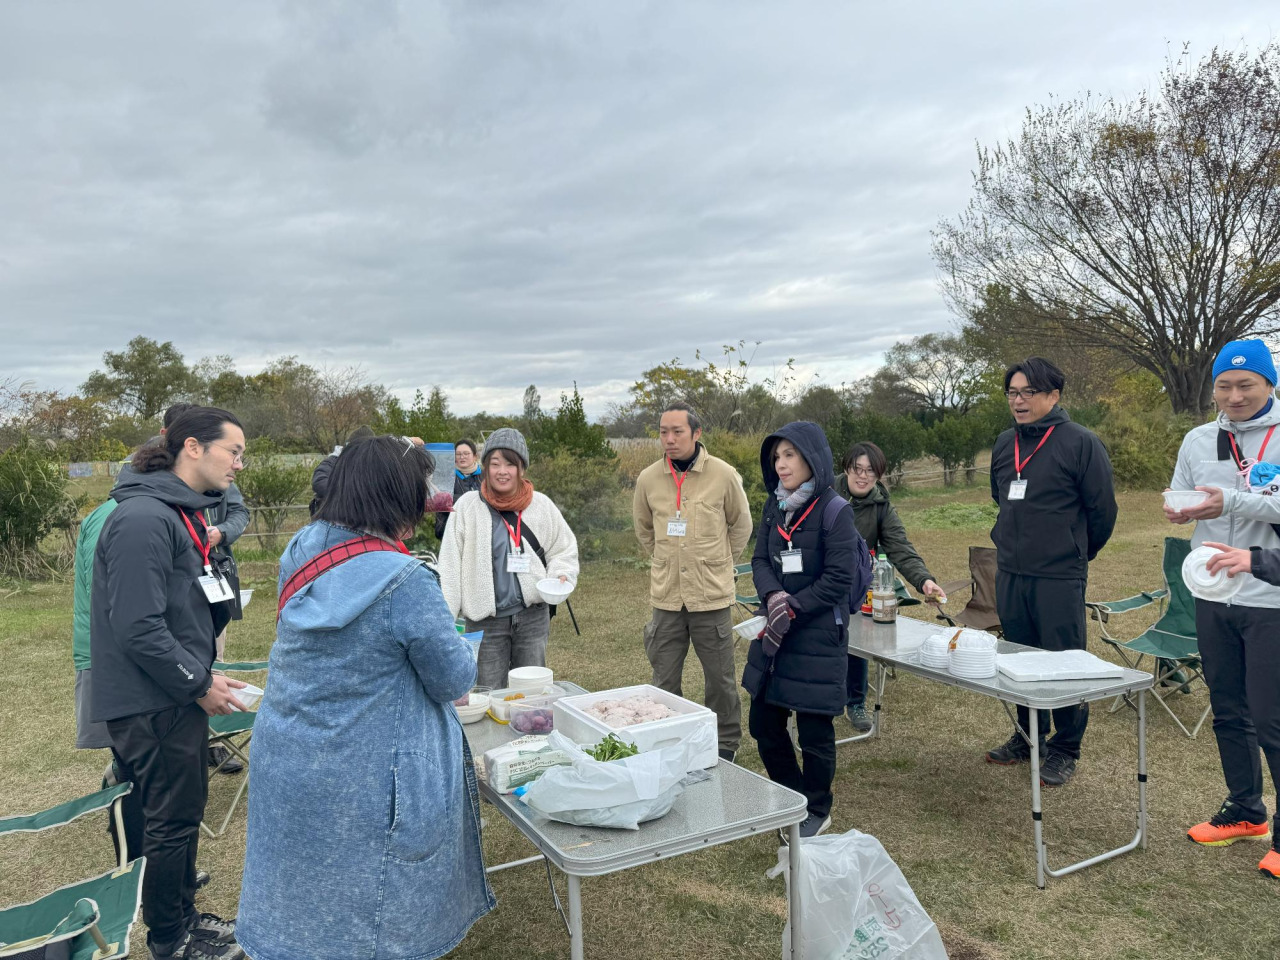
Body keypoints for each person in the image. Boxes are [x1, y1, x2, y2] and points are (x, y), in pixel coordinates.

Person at [236, 436, 495, 960]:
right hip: (367, 772)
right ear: (396, 499)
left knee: (305, 895)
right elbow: (452, 681)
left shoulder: (303, 548)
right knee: (377, 910)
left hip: (291, 750)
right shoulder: (406, 583)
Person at [90, 406, 250, 960]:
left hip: (171, 694)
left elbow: (174, 611)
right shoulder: (143, 519)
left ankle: (184, 920)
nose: (238, 465)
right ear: (193, 447)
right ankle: (170, 939)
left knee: (181, 818)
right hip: (151, 701)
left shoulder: (173, 512)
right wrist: (195, 681)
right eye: (234, 451)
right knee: (170, 823)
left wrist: (203, 672)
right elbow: (137, 626)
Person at [1164, 338, 1280, 879]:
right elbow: (1184, 491)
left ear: (1269, 385)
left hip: (1268, 596)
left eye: (1245, 385)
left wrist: (1232, 500)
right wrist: (1180, 509)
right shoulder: (1198, 437)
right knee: (1228, 708)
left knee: (1271, 718)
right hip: (1212, 593)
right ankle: (1245, 810)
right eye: (1224, 386)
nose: (1233, 396)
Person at [984, 358, 1117, 787]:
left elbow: (1102, 512)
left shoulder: (1080, 443)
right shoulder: (1006, 444)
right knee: (1020, 660)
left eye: (1027, 393)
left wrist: (1075, 553)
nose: (1018, 401)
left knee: (1065, 663)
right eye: (1012, 393)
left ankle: (1065, 748)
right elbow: (1000, 498)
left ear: (1053, 396)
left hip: (1059, 575)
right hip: (1012, 572)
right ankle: (1028, 737)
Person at [741, 422, 857, 838]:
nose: (781, 463)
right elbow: (758, 560)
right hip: (776, 630)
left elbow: (839, 579)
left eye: (790, 455)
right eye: (776, 456)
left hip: (816, 635)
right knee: (764, 724)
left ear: (813, 459)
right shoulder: (775, 506)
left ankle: (818, 808)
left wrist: (792, 606)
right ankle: (794, 798)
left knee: (814, 730)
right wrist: (773, 597)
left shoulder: (835, 510)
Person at [633, 402, 753, 761]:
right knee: (664, 679)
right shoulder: (648, 479)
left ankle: (724, 745)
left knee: (720, 680)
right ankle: (671, 741)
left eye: (677, 432)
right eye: (663, 432)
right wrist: (668, 558)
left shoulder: (723, 474)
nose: (669, 439)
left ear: (697, 434)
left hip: (711, 597)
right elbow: (644, 530)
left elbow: (741, 524)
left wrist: (717, 561)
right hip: (667, 597)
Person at [438, 427, 579, 689]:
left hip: (533, 618)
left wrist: (561, 575)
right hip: (485, 623)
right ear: (485, 467)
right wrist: (445, 621)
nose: (502, 471)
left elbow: (563, 549)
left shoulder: (541, 505)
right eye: (495, 463)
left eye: (510, 464)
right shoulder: (467, 507)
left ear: (521, 468)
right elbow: (449, 567)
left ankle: (532, 732)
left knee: (532, 694)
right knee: (487, 691)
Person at [836, 441, 945, 731]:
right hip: (821, 579)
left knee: (857, 638)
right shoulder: (826, 492)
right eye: (857, 469)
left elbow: (900, 547)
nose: (862, 476)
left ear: (879, 475)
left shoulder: (881, 506)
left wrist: (925, 580)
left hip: (856, 584)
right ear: (846, 468)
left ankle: (855, 702)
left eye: (870, 471)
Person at [434, 437, 484, 539]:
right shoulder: (446, 477)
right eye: (458, 454)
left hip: (481, 534)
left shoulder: (486, 477)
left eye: (466, 453)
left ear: (475, 456)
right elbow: (441, 504)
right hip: (453, 535)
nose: (462, 457)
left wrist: (453, 499)